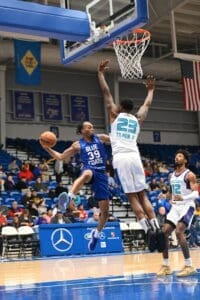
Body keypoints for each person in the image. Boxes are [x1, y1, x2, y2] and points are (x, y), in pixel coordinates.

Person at [98, 59, 164, 252]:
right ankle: (157, 228)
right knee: (143, 195)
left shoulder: (114, 115)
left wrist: (100, 73)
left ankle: (147, 231)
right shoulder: (137, 119)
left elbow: (106, 93)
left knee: (132, 197)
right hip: (136, 157)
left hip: (122, 158)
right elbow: (147, 104)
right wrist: (151, 89)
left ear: (120, 108)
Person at [40, 121, 110, 251]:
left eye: (92, 126)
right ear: (82, 130)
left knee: (105, 213)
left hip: (102, 175)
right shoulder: (77, 145)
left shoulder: (100, 138)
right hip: (89, 169)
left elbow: (116, 141)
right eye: (89, 127)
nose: (92, 128)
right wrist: (47, 148)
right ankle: (69, 197)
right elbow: (61, 157)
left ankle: (96, 233)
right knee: (87, 174)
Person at [157, 150, 198, 277]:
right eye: (176, 156)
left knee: (179, 232)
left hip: (187, 206)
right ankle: (166, 266)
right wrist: (164, 196)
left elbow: (196, 193)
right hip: (175, 207)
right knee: (164, 232)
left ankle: (189, 265)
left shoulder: (189, 175)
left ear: (185, 160)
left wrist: (183, 198)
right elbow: (171, 192)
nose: (177, 157)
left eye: (180, 156)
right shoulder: (171, 176)